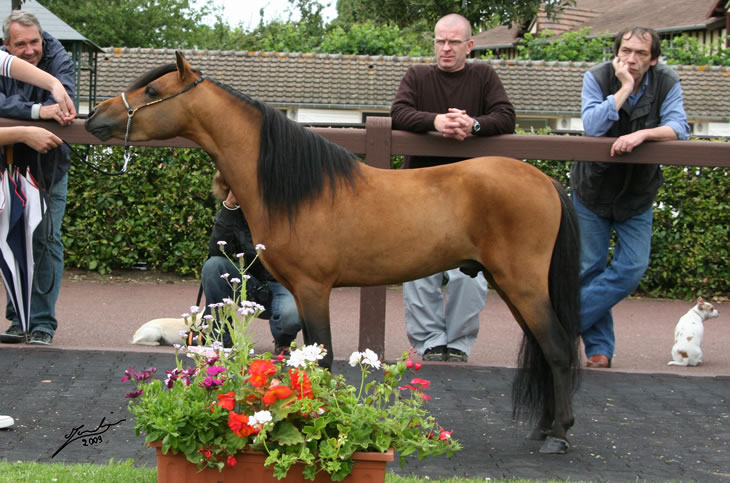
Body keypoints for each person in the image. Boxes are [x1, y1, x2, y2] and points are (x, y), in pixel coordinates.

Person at [390, 13, 516, 362]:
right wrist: (436, 121)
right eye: (440, 41)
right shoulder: (417, 76)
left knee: (468, 277)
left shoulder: (484, 76)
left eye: (453, 42)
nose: (445, 48)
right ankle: (429, 342)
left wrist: (472, 124)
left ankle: (458, 345)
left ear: (469, 46)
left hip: (469, 198)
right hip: (419, 193)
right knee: (418, 272)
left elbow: (505, 116)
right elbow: (398, 112)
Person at [572, 26, 690, 368]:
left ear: (653, 59)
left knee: (632, 267)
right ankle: (599, 351)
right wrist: (623, 88)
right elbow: (593, 125)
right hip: (592, 188)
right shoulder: (597, 77)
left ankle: (562, 324)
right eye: (626, 51)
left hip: (637, 192)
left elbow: (679, 128)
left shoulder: (668, 82)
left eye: (640, 53)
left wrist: (642, 135)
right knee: (588, 269)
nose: (631, 59)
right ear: (617, 52)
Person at [0, 10, 75, 347]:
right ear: (6, 45)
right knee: (11, 236)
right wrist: (34, 112)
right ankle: (18, 318)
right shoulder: (3, 61)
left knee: (44, 240)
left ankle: (42, 323)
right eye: (21, 45)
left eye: (35, 42)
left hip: (47, 166)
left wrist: (31, 110)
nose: (30, 50)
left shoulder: (59, 59)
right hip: (7, 163)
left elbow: (61, 107)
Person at [197, 174, 302, 353]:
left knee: (291, 315)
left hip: (283, 284)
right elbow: (216, 251)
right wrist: (229, 207)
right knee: (213, 266)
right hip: (248, 284)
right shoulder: (231, 212)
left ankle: (283, 342)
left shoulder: (286, 207)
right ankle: (221, 339)